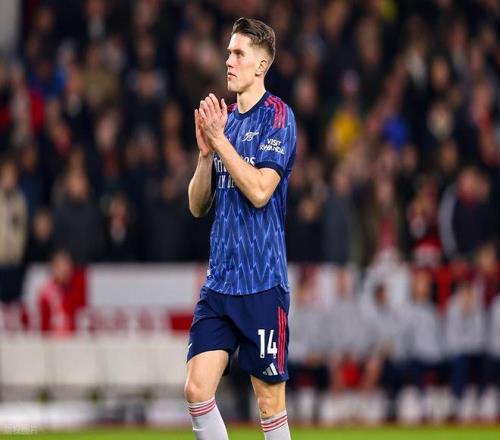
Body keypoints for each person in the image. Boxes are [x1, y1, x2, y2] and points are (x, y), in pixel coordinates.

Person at [185, 17, 297, 440]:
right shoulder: (223, 122)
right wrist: (204, 156)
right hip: (220, 283)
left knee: (269, 403)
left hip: (262, 284)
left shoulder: (278, 117)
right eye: (228, 52)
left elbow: (261, 190)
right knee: (196, 391)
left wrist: (220, 142)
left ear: (261, 65)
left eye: (238, 53)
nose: (228, 61)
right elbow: (197, 205)